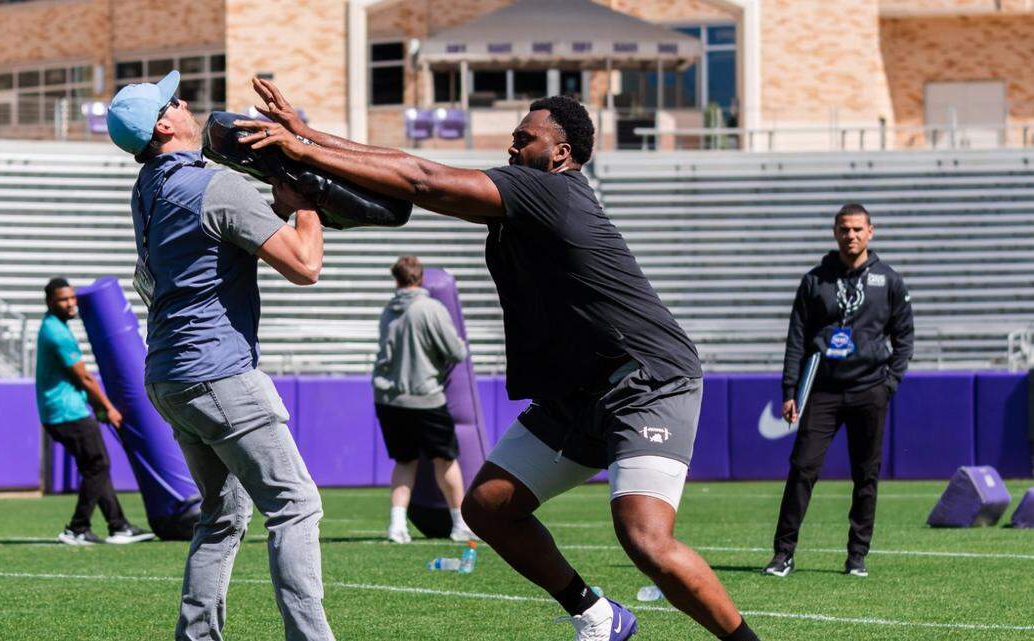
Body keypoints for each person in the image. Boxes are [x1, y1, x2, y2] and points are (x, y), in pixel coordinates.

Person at [237, 78, 760, 641]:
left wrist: (305, 150)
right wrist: (306, 135)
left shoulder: (552, 191)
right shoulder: (527, 196)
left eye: (523, 138)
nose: (512, 148)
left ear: (560, 153)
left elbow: (421, 178)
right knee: (487, 509)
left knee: (644, 538)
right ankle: (599, 616)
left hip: (646, 378)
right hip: (577, 392)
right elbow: (410, 166)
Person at [105, 71, 334, 641]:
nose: (186, 102)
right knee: (295, 505)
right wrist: (305, 204)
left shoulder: (149, 187)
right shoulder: (215, 186)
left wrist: (276, 203)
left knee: (223, 516)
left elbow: (211, 244)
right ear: (163, 124)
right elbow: (305, 266)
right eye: (175, 100)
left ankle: (197, 636)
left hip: (169, 374)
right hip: (217, 371)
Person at [764, 203, 914, 579]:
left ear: (870, 232)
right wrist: (790, 390)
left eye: (858, 229)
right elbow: (796, 338)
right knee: (802, 469)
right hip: (823, 392)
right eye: (845, 229)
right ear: (835, 231)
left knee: (866, 475)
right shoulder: (816, 280)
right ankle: (783, 554)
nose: (851, 236)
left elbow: (905, 337)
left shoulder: (889, 280)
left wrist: (889, 382)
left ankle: (857, 556)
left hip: (869, 390)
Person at [36, 277, 154, 546]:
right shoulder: (56, 333)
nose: (69, 304)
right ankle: (77, 528)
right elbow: (85, 378)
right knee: (98, 466)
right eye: (62, 300)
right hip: (67, 413)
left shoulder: (55, 327)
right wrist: (108, 408)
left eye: (71, 298)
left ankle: (118, 525)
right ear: (49, 302)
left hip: (65, 411)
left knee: (95, 467)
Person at [372, 255, 472, 544]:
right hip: (425, 395)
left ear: (397, 279)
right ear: (420, 278)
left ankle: (397, 526)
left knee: (405, 461)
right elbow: (456, 352)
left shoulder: (389, 309)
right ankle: (459, 523)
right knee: (446, 459)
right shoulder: (431, 308)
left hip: (389, 398)